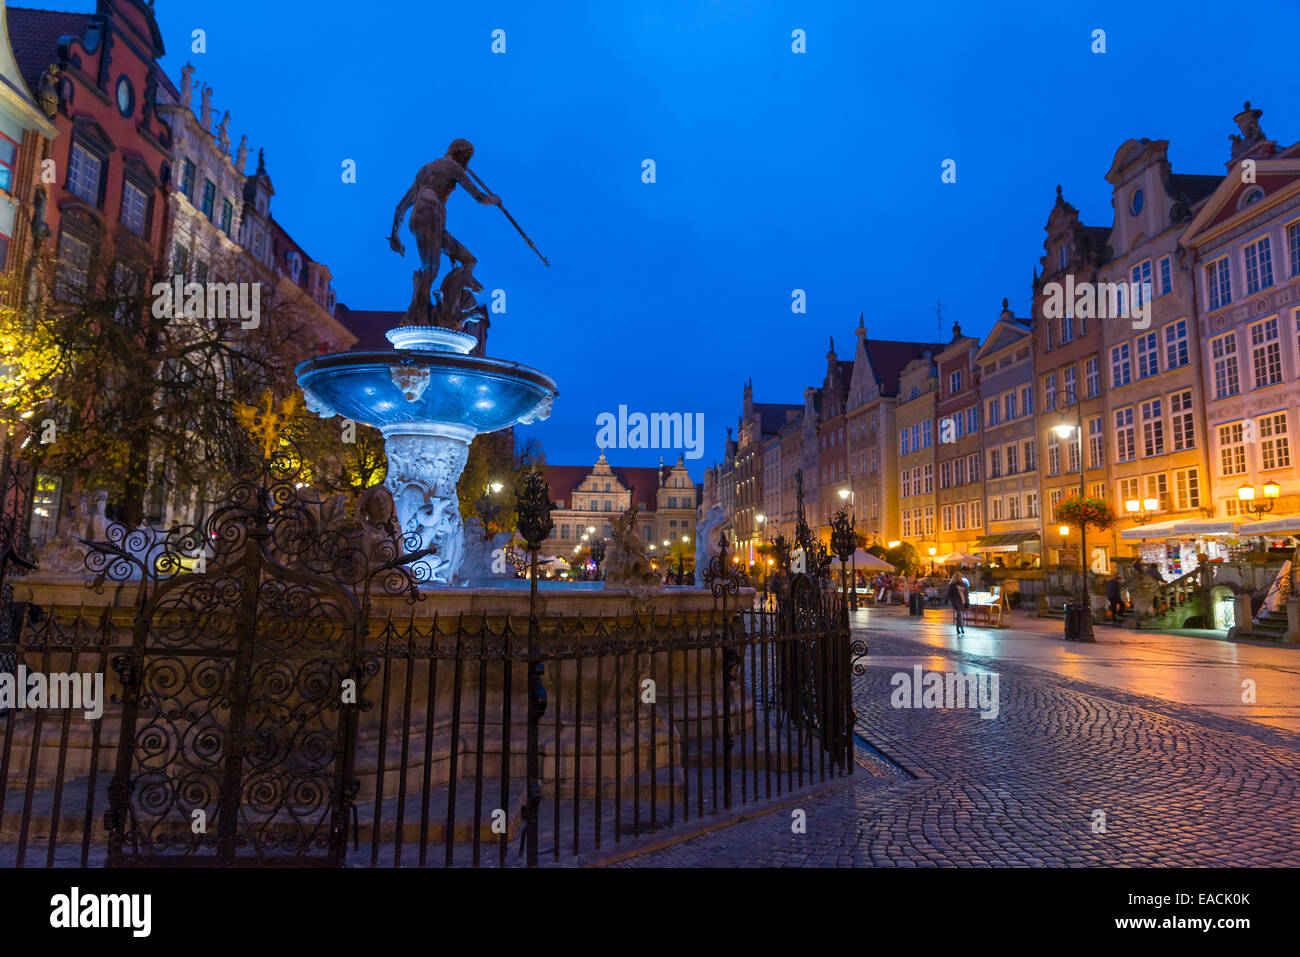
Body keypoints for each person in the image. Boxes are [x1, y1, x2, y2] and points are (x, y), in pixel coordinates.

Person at [947, 570, 968, 636]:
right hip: (956, 601)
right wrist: (946, 601)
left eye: (961, 577)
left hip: (962, 601)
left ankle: (959, 628)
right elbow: (949, 594)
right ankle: (960, 629)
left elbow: (966, 594)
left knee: (959, 615)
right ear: (956, 577)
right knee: (959, 614)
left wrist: (967, 602)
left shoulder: (964, 584)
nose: (961, 578)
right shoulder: (952, 585)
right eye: (960, 577)